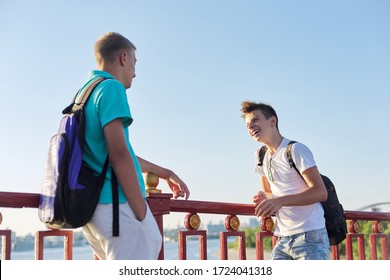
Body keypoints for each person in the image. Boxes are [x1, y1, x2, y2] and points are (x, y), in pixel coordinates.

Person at [79, 32, 190, 260]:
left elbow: (111, 153)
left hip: (92, 208)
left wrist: (164, 172)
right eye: (134, 62)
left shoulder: (85, 92)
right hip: (117, 207)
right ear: (123, 58)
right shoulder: (111, 88)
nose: (135, 72)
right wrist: (141, 212)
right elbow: (119, 155)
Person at [241, 101, 329, 260]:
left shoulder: (296, 149)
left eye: (255, 120)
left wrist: (280, 201)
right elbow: (270, 193)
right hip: (283, 238)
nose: (250, 127)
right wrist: (265, 198)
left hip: (310, 236)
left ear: (272, 121)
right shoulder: (260, 155)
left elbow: (320, 192)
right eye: (247, 125)